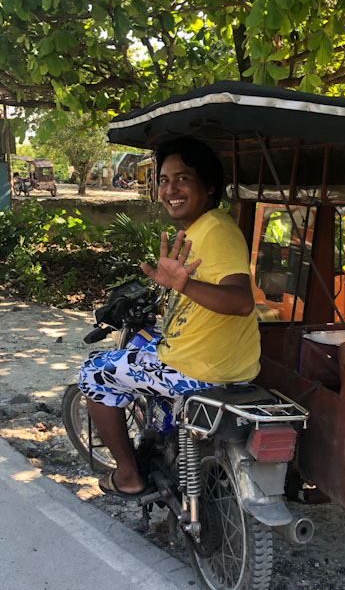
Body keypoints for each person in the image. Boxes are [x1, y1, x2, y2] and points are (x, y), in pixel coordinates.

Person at [78, 137, 261, 499]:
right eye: (163, 180)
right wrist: (178, 287)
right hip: (224, 363)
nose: (170, 189)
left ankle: (128, 475)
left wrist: (185, 284)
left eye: (182, 179)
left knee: (94, 372)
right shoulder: (202, 228)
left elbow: (242, 302)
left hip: (200, 370)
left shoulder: (217, 231)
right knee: (149, 345)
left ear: (209, 186)